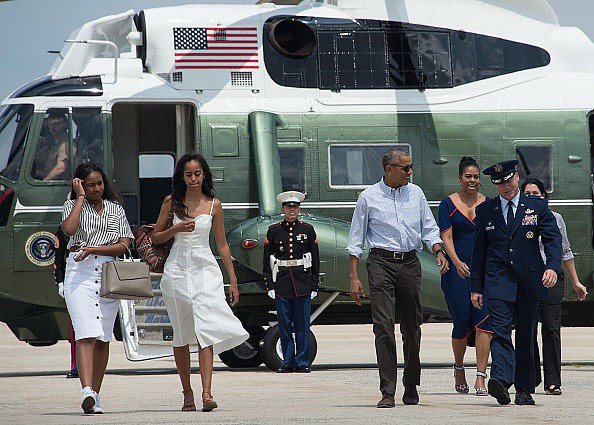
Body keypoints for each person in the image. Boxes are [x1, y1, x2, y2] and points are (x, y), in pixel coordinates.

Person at [347, 148, 449, 408]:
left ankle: (411, 384)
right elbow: (356, 238)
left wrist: (438, 250)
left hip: (409, 264)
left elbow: (429, 227)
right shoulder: (368, 198)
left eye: (411, 166)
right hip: (380, 263)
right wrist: (354, 278)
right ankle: (387, 391)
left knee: (412, 328)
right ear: (390, 169)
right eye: (406, 168)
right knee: (383, 326)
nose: (410, 172)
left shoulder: (415, 193)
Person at [152, 153, 248, 412]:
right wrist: (176, 229)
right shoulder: (171, 203)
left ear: (204, 174)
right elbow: (155, 237)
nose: (193, 179)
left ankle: (207, 393)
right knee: (182, 334)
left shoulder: (214, 204)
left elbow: (222, 244)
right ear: (181, 177)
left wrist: (233, 280)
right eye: (188, 174)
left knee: (206, 328)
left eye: (197, 173)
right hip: (177, 271)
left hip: (205, 271)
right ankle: (187, 393)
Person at [471, 160, 562, 406]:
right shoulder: (486, 210)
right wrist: (476, 287)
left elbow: (553, 239)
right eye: (499, 183)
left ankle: (524, 389)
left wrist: (552, 266)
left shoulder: (537, 206)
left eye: (509, 180)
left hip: (529, 280)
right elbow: (479, 251)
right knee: (500, 332)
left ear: (517, 177)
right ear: (494, 185)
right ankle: (500, 380)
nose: (506, 186)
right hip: (498, 279)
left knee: (525, 334)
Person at [61, 162, 134, 414]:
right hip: (78, 273)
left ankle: (96, 394)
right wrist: (79, 197)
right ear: (80, 184)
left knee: (103, 337)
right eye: (90, 185)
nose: (96, 189)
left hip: (107, 273)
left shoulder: (116, 209)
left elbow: (124, 244)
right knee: (85, 332)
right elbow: (69, 230)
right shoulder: (72, 205)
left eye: (99, 183)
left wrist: (94, 248)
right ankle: (87, 390)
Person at [521, 178, 588, 395]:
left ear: (544, 196)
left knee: (551, 328)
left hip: (551, 279)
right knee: (528, 329)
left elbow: (565, 251)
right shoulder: (517, 218)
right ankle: (530, 378)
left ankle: (553, 381)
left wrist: (576, 281)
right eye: (527, 193)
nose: (532, 196)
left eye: (536, 193)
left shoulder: (555, 218)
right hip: (527, 281)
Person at [438, 157, 491, 396]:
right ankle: (459, 368)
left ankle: (481, 376)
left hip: (483, 271)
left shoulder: (488, 204)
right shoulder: (448, 203)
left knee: (483, 321)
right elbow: (446, 238)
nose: (473, 181)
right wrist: (457, 262)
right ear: (459, 178)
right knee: (460, 319)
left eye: (476, 176)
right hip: (456, 270)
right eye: (468, 176)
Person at [262, 191, 320, 373]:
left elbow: (315, 259)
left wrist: (314, 284)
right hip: (282, 282)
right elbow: (267, 259)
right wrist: (270, 285)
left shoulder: (307, 230)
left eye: (294, 207)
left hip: (302, 282)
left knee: (302, 325)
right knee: (284, 324)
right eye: (288, 207)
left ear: (299, 209)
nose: (291, 210)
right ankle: (287, 362)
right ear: (282, 209)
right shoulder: (274, 230)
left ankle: (302, 362)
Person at [54, 227, 78, 379]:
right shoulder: (65, 228)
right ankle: (76, 364)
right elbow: (58, 256)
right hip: (74, 278)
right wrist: (60, 281)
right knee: (76, 326)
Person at [33, 110, 74, 181]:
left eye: (56, 124)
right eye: (50, 124)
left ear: (65, 125)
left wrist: (44, 182)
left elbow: (60, 168)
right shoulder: (55, 143)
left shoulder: (66, 143)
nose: (53, 127)